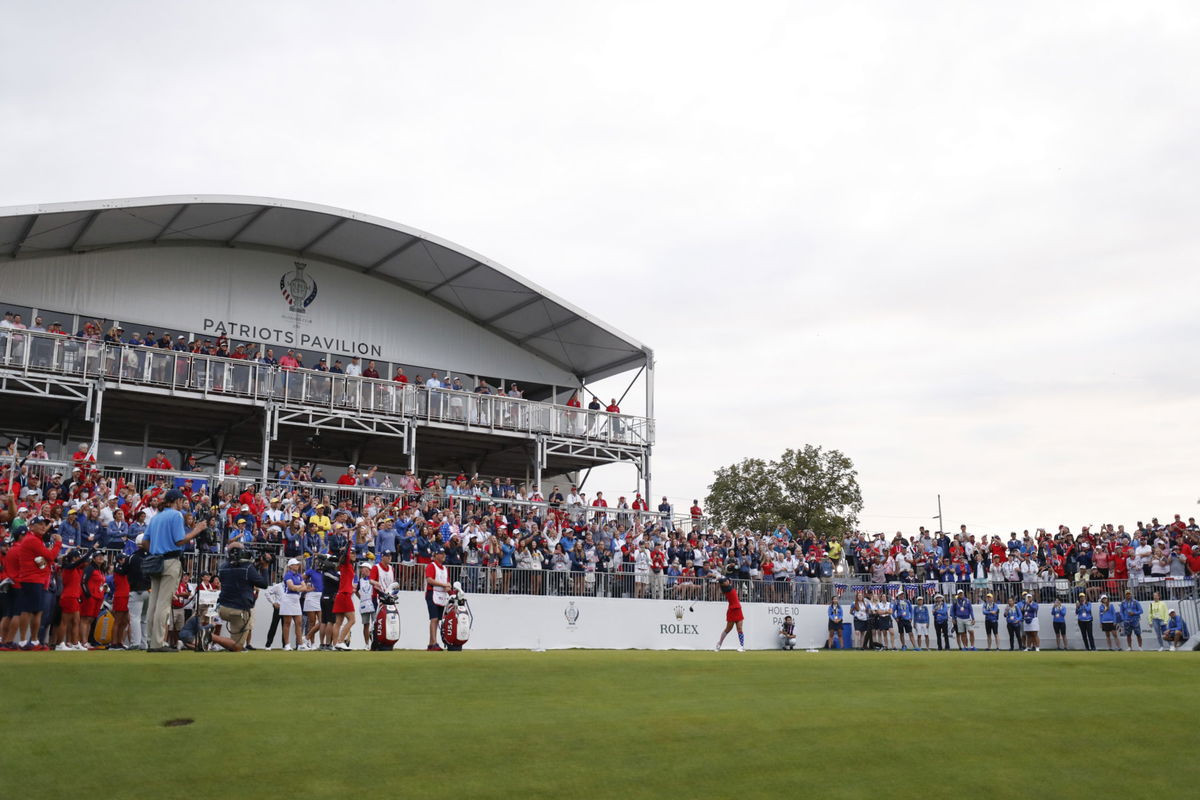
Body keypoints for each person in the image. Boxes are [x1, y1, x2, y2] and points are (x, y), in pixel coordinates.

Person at [145, 489, 205, 652]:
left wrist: (157, 549)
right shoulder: (176, 515)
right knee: (164, 604)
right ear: (177, 501)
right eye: (181, 500)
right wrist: (197, 530)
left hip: (155, 560)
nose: (182, 503)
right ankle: (157, 643)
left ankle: (150, 640)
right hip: (170, 560)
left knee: (154, 603)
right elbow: (180, 540)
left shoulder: (156, 517)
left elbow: (144, 541)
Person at [14, 516, 62, 650]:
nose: (43, 526)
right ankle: (26, 641)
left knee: (35, 611)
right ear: (32, 527)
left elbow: (47, 560)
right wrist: (58, 543)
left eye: (44, 524)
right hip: (32, 579)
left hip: (35, 579)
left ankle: (32, 640)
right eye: (40, 524)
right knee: (30, 611)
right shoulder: (32, 540)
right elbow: (51, 556)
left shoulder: (36, 540)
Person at [214, 542, 271, 651]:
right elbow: (264, 584)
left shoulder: (222, 567)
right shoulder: (248, 567)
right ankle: (210, 636)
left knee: (234, 643)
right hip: (239, 609)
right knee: (237, 646)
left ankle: (217, 641)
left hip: (223, 608)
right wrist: (265, 567)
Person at [425, 547, 452, 650]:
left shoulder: (444, 568)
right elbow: (430, 580)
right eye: (441, 554)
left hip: (441, 595)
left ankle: (432, 643)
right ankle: (433, 642)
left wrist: (449, 588)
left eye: (443, 554)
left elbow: (447, 583)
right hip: (432, 593)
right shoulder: (431, 566)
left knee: (437, 620)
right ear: (436, 555)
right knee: (434, 618)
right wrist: (444, 584)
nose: (443, 555)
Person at [713, 571, 745, 652]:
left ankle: (742, 646)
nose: (727, 581)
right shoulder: (726, 589)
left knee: (740, 629)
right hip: (732, 610)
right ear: (723, 584)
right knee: (728, 629)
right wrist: (719, 578)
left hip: (738, 609)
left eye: (727, 581)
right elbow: (722, 581)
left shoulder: (727, 586)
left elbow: (727, 579)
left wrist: (719, 577)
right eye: (725, 581)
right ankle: (719, 644)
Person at [280, 558, 308, 651]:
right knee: (287, 623)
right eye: (295, 564)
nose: (297, 565)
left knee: (299, 623)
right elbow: (291, 587)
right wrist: (300, 587)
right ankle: (287, 645)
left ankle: (300, 644)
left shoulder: (299, 576)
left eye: (298, 564)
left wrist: (298, 588)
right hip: (288, 599)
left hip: (296, 600)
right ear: (290, 566)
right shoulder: (288, 575)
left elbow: (305, 588)